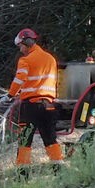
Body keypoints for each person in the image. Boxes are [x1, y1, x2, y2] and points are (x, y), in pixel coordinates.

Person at [8, 28, 66, 168]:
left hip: (31, 107)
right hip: (48, 106)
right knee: (50, 139)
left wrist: (10, 95)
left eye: (21, 46)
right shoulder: (51, 59)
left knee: (25, 140)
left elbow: (20, 79)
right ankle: (58, 169)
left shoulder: (25, 60)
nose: (20, 49)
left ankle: (23, 173)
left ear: (27, 43)